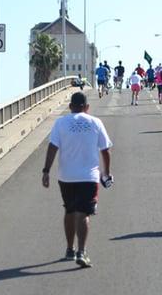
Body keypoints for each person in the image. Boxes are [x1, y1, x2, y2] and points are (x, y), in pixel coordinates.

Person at [41, 92, 113, 268]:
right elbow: (105, 150)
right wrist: (106, 174)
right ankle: (81, 252)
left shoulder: (61, 122)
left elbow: (52, 147)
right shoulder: (96, 122)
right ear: (87, 107)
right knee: (83, 213)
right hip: (88, 177)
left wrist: (46, 171)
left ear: (70, 106)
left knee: (70, 210)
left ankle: (69, 249)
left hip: (65, 177)